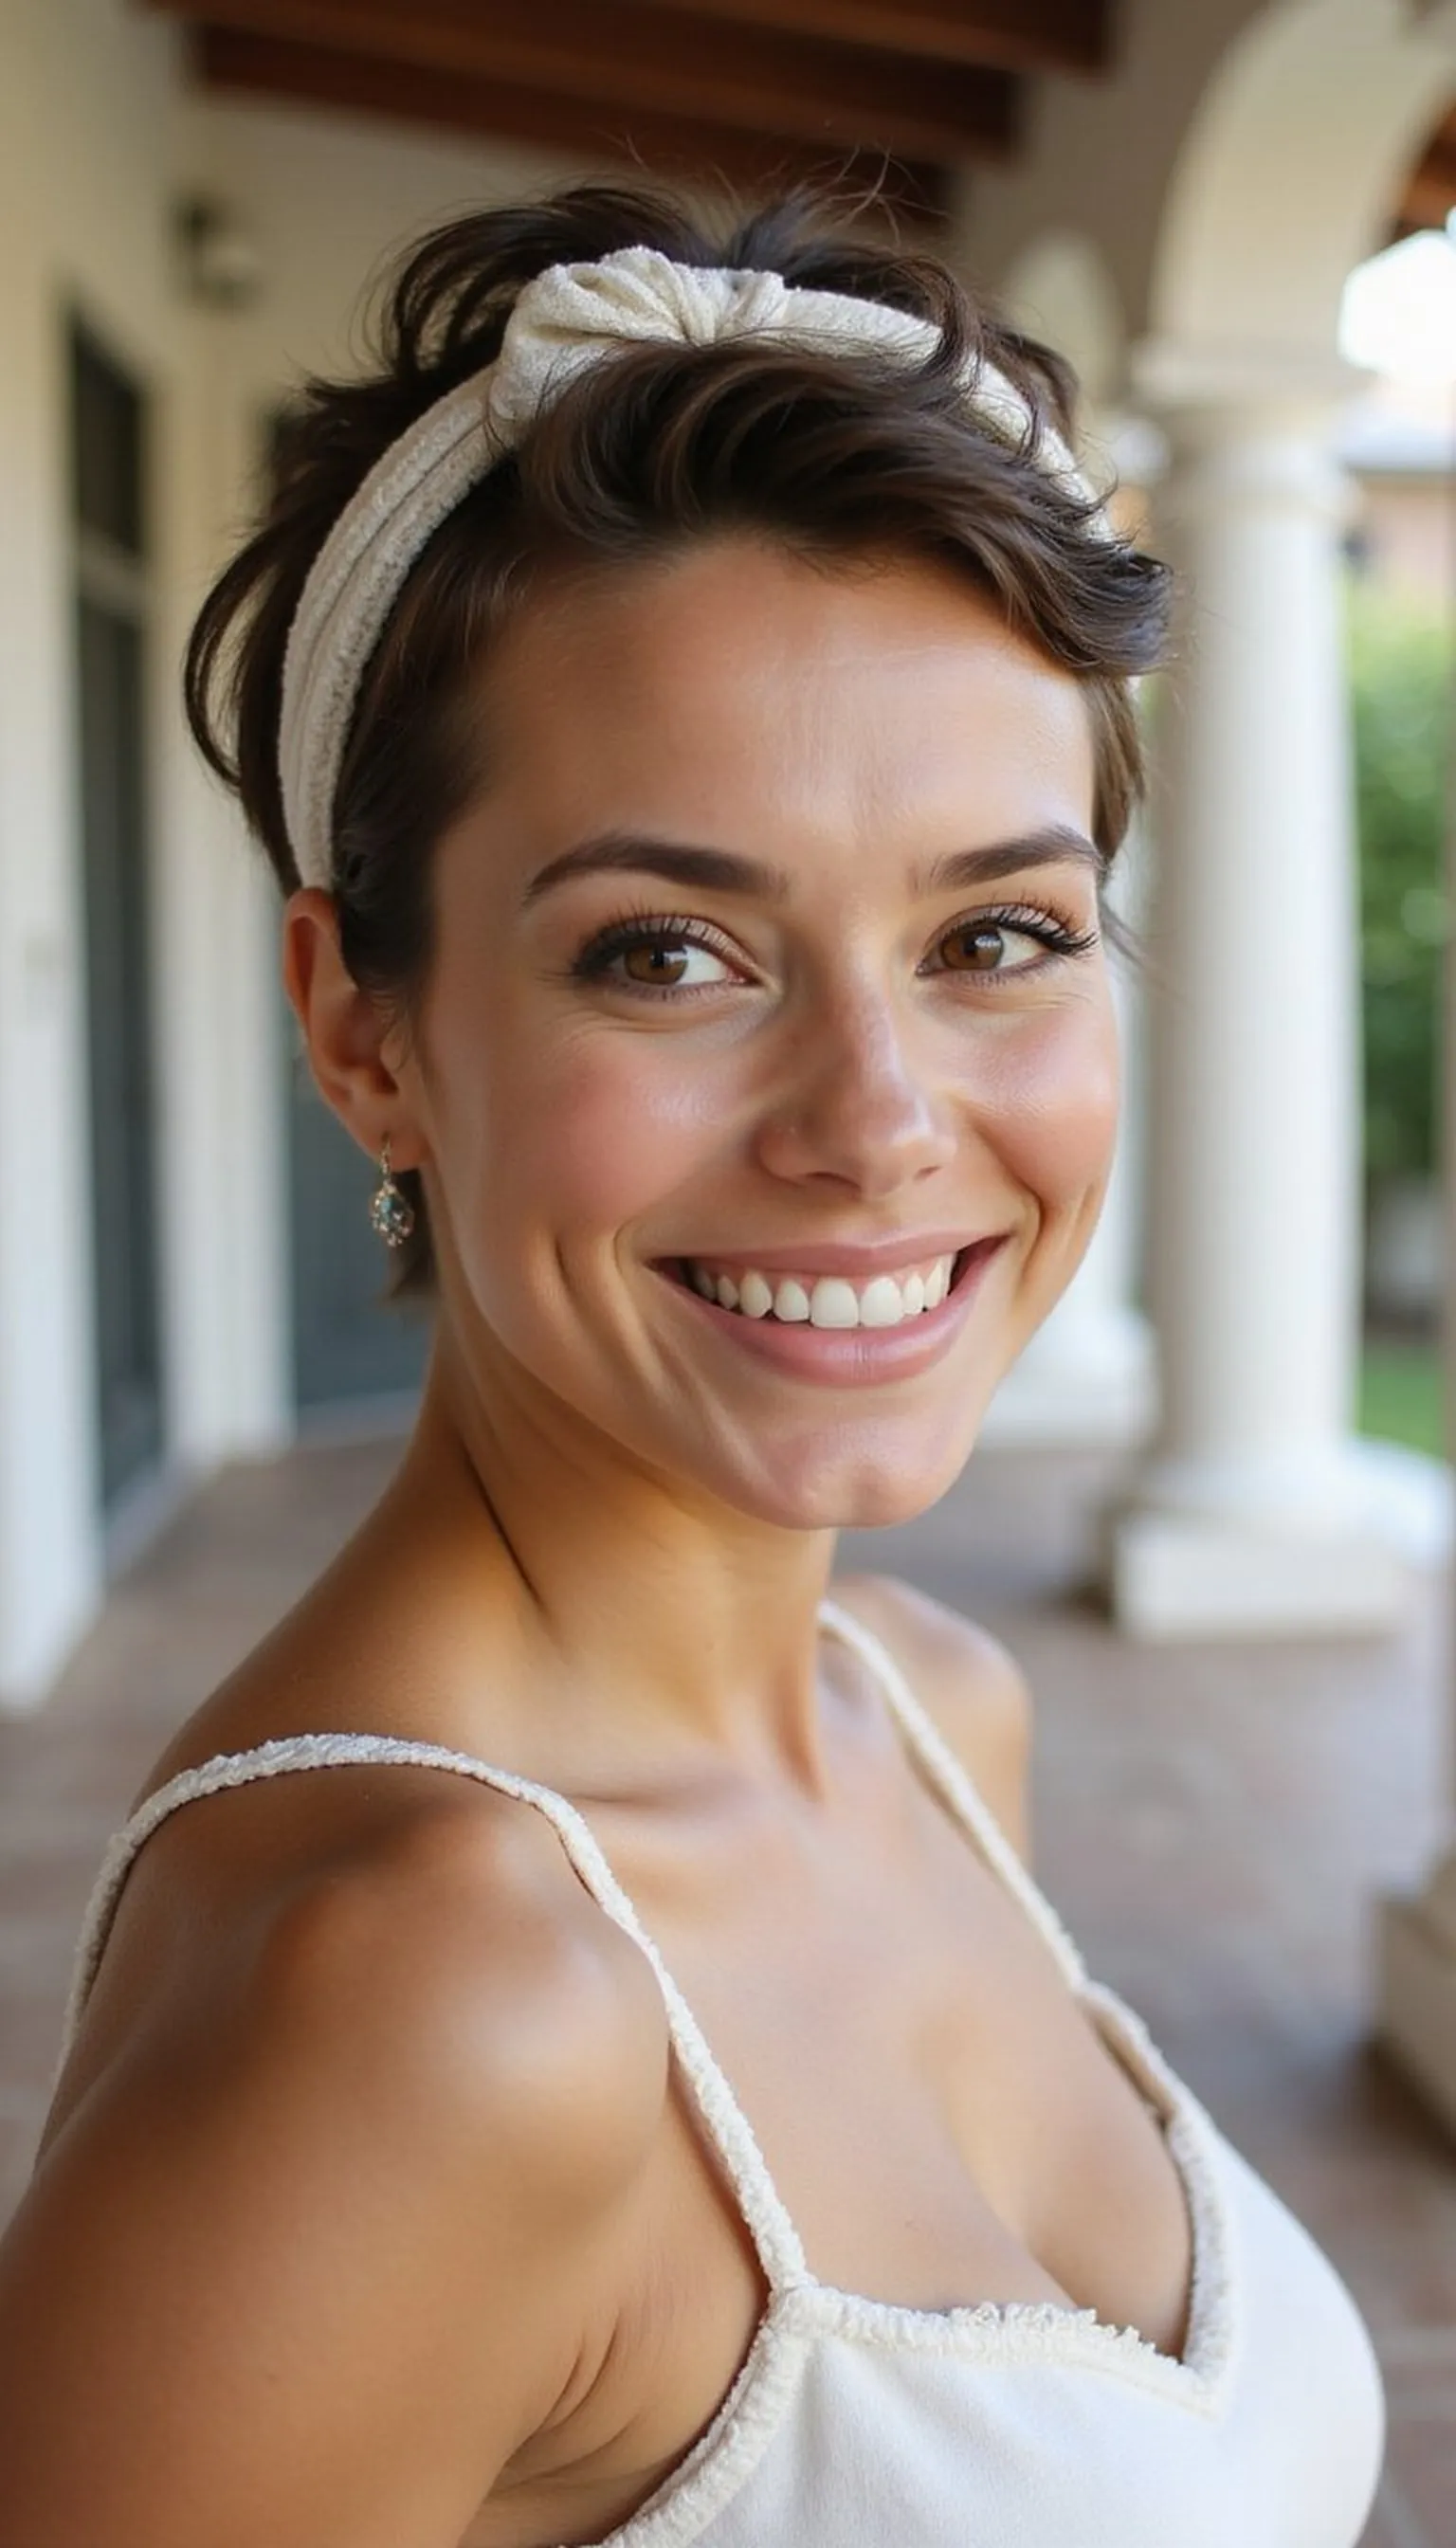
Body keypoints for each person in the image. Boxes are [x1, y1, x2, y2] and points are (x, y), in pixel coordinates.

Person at [0, 183, 1383, 2547]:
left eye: (1000, 933)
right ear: (364, 1030)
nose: (878, 1123)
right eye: (665, 952)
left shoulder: (935, 1712)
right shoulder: (423, 2005)